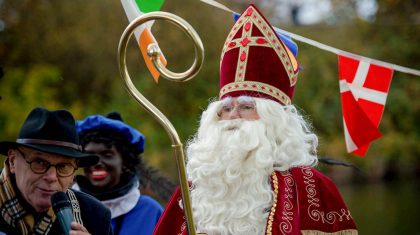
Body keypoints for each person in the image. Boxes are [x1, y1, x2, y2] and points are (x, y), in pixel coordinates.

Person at [153, 4, 358, 235]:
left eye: (246, 107)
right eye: (226, 108)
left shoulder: (312, 187)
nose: (233, 116)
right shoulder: (196, 188)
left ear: (277, 121)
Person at [0, 106, 112, 235]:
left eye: (63, 166)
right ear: (13, 160)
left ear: (74, 173)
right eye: (39, 162)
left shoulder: (95, 217)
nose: (52, 177)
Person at [73, 112, 172, 235]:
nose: (97, 162)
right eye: (90, 155)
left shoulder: (150, 211)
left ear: (125, 161)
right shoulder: (65, 207)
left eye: (107, 155)